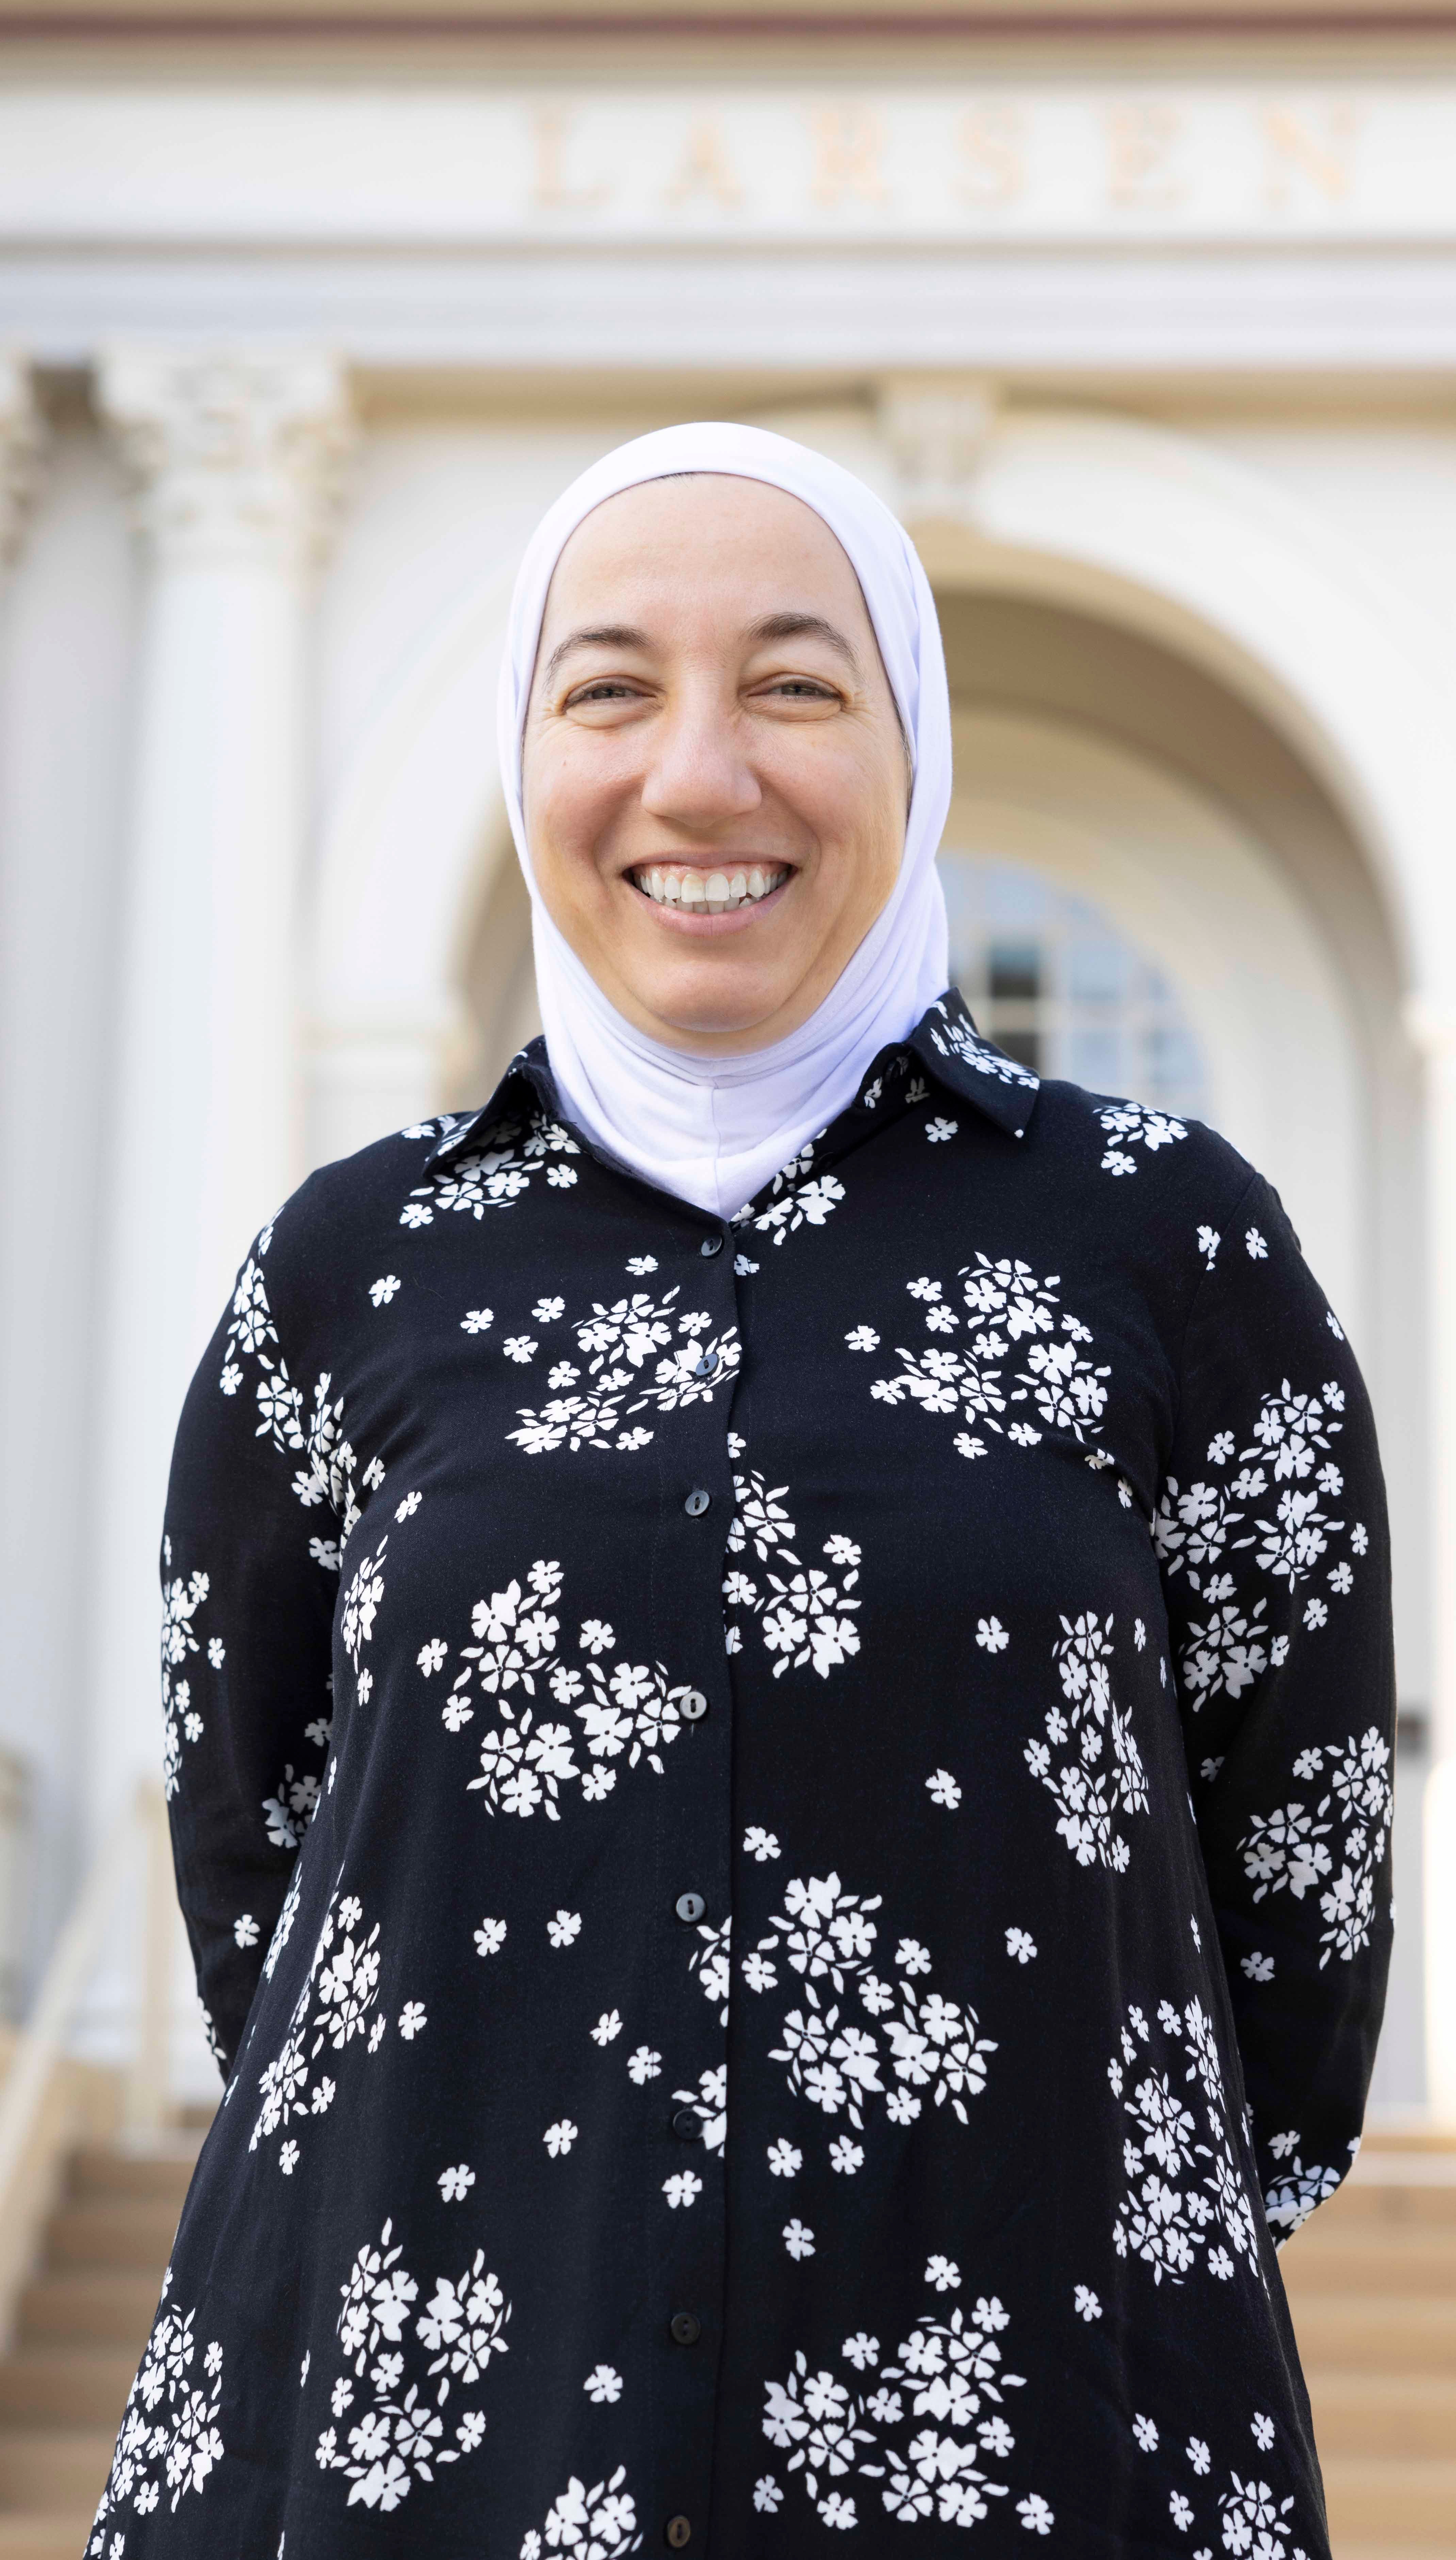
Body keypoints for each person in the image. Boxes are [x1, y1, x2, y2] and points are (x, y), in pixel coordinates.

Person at [89, 424, 1394, 2558]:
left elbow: (1296, 1876)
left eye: (793, 684)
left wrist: (1062, 2216)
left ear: (913, 739)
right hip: (432, 2430)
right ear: (526, 752)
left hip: (1034, 2428)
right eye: (608, 689)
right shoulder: (351, 1268)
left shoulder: (1166, 1239)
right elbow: (267, 1858)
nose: (698, 776)